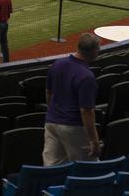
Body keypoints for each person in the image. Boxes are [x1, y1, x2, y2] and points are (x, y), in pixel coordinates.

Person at [43, 34, 102, 165]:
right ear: (93, 51)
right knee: (87, 168)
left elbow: (49, 92)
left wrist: (53, 112)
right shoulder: (87, 77)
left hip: (51, 123)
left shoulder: (57, 64)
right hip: (73, 126)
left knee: (52, 167)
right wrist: (94, 140)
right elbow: (86, 111)